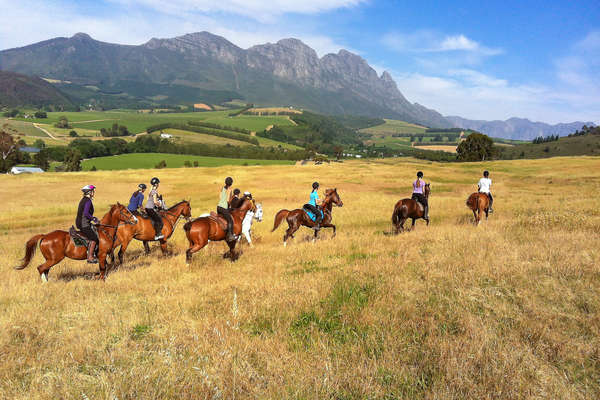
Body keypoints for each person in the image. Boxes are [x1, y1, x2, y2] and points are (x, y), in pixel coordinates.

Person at [76, 184, 99, 263]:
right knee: (94, 238)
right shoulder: (88, 201)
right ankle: (90, 257)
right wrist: (93, 218)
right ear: (89, 192)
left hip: (81, 223)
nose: (94, 193)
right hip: (84, 224)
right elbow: (86, 213)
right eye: (93, 191)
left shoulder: (84, 199)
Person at [218, 177, 237, 242]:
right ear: (231, 183)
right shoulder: (229, 190)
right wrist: (233, 197)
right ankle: (230, 235)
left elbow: (220, 197)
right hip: (224, 208)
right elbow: (228, 201)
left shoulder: (222, 188)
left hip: (218, 207)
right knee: (230, 220)